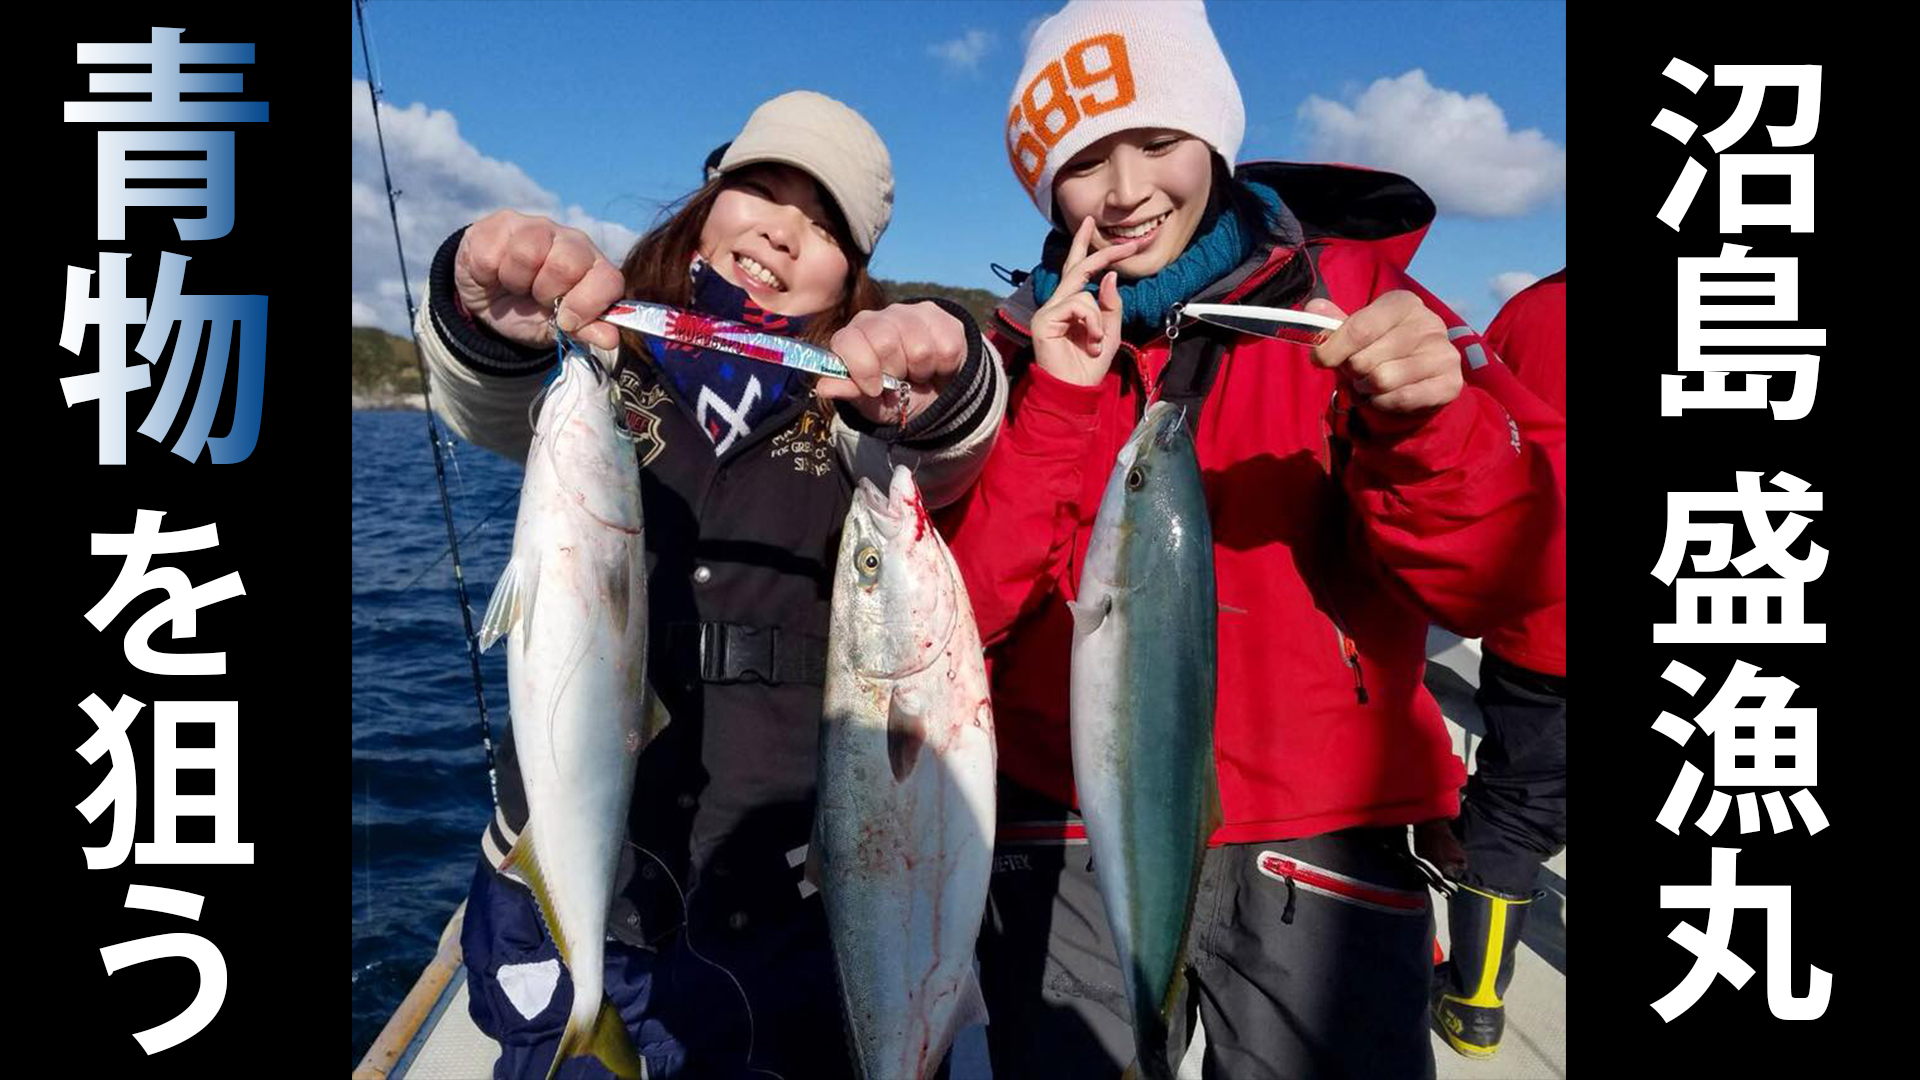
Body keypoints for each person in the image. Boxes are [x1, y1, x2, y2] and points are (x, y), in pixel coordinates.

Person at [935, 3, 1566, 1077]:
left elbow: (1517, 576)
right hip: (1071, 832)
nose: (1127, 190)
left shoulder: (1360, 303)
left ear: (1217, 142)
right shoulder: (1011, 355)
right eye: (1083, 163)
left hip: (1322, 844)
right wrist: (1056, 407)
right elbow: (964, 617)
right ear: (1046, 189)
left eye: (1158, 142)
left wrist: (1430, 425)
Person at [415, 90, 1008, 1079]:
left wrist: (941, 358)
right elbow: (485, 396)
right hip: (574, 886)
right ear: (708, 201)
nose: (782, 230)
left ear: (851, 276)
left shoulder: (851, 409)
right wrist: (480, 303)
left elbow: (945, 448)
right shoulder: (608, 360)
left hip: (777, 902)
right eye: (761, 192)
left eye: (823, 226)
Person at [1430, 268, 1568, 1060]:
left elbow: (1477, 438)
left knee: (1513, 812)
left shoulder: (1531, 311)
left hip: (1546, 624)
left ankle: (1475, 1003)